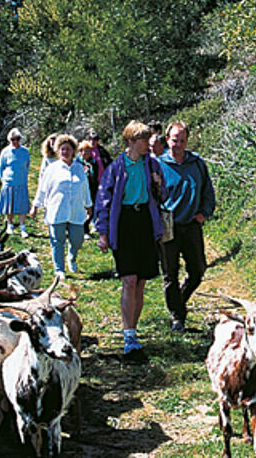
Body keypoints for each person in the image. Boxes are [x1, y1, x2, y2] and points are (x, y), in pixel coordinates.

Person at [95, 121, 165, 361]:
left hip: (145, 221)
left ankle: (133, 331)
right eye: (144, 140)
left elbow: (162, 195)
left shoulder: (152, 164)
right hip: (124, 223)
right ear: (131, 141)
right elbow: (103, 200)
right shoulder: (116, 168)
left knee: (141, 281)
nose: (148, 144)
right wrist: (103, 233)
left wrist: (158, 184)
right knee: (129, 279)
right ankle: (128, 335)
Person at [156, 121, 216, 333]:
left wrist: (204, 213)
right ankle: (177, 317)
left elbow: (208, 192)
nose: (178, 144)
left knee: (198, 270)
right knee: (170, 274)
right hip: (168, 226)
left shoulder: (197, 163)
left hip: (191, 225)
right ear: (167, 140)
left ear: (187, 141)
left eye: (182, 140)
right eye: (175, 140)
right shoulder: (158, 165)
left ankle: (179, 301)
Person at [30, 135, 92, 280]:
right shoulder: (52, 169)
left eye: (68, 149)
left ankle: (72, 257)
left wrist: (88, 205)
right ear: (58, 151)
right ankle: (59, 269)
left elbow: (85, 188)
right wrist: (35, 206)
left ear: (73, 151)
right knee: (57, 241)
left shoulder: (79, 168)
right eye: (62, 149)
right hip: (57, 210)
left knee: (77, 239)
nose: (65, 152)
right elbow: (42, 189)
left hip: (76, 210)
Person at [0, 128, 31, 238]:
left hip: (21, 182)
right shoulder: (5, 152)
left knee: (22, 207)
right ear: (9, 140)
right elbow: (0, 167)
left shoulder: (25, 151)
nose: (15, 141)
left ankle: (23, 228)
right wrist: (3, 179)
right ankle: (10, 225)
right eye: (13, 139)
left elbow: (27, 165)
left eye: (17, 139)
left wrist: (24, 177)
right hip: (9, 183)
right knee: (9, 206)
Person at [77, 140, 99, 236]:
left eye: (88, 151)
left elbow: (96, 175)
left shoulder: (93, 162)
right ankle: (83, 229)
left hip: (92, 189)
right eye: (84, 151)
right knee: (82, 210)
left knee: (91, 209)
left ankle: (86, 227)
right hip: (80, 190)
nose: (86, 153)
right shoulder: (77, 163)